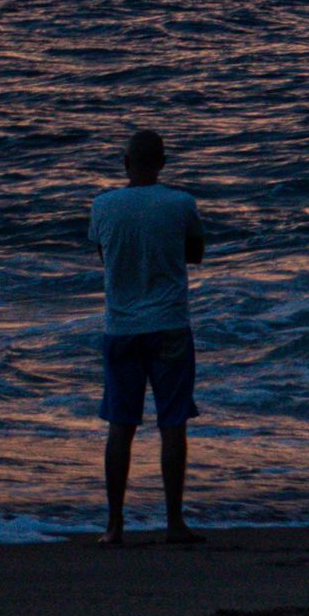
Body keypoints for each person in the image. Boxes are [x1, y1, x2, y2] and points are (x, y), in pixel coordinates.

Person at [89, 129, 208, 543]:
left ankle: (114, 526)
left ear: (125, 163)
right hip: (170, 325)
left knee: (120, 426)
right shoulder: (181, 203)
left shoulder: (103, 206)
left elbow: (106, 258)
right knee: (172, 424)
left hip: (121, 327)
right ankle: (174, 523)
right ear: (163, 162)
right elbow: (194, 254)